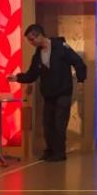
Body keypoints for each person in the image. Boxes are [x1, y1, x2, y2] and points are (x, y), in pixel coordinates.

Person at [8, 24, 87, 162]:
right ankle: (50, 151)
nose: (30, 42)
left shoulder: (61, 47)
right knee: (48, 124)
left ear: (39, 35)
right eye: (29, 40)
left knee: (59, 124)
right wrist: (17, 78)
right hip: (49, 94)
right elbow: (32, 74)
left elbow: (78, 62)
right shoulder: (38, 55)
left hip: (63, 92)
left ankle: (59, 153)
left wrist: (81, 80)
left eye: (31, 39)